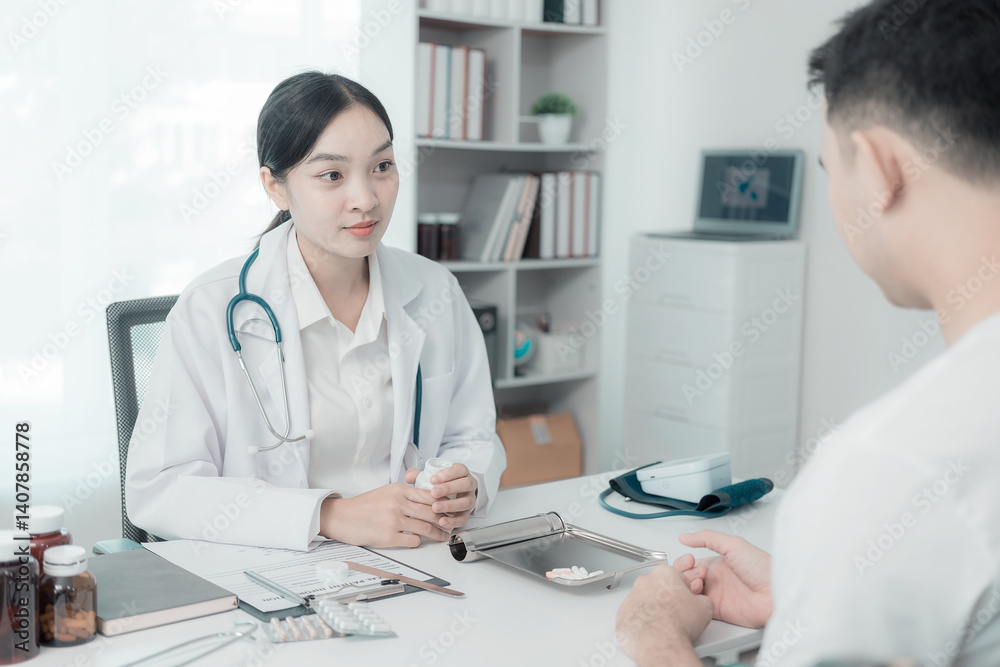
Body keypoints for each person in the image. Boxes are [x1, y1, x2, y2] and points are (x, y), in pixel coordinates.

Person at [617, 0, 1000, 664]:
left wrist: (653, 634)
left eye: (828, 169)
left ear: (877, 167)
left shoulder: (890, 468)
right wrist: (817, 589)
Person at [125, 72, 506, 551]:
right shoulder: (209, 310)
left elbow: (474, 436)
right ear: (276, 187)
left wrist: (466, 483)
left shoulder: (435, 291)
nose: (366, 199)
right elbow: (160, 489)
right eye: (332, 175)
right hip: (274, 576)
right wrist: (328, 515)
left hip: (419, 560)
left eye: (382, 166)